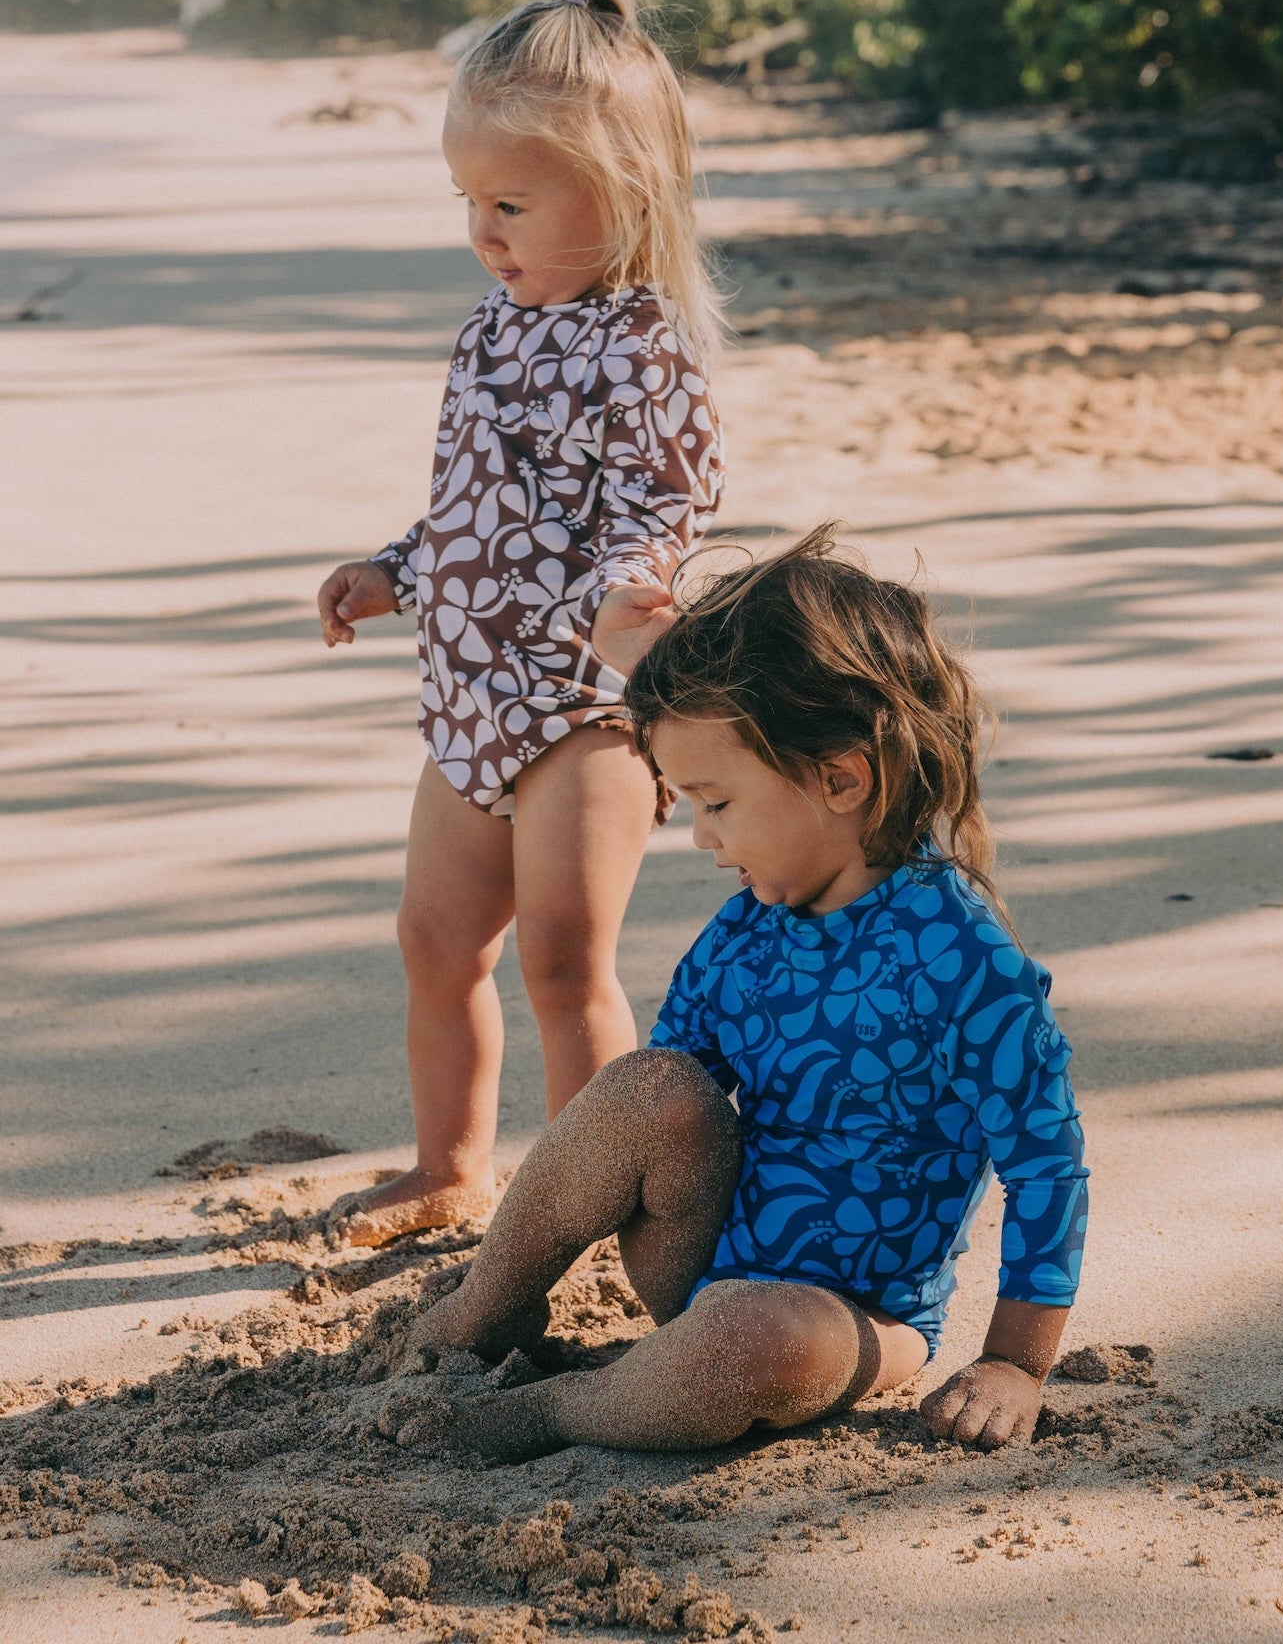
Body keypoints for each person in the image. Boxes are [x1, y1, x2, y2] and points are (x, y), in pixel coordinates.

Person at [374, 525, 1088, 1460]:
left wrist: (1014, 1365)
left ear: (838, 779)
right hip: (700, 1259)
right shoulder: (745, 932)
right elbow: (666, 1114)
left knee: (754, 1340)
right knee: (649, 1084)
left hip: (848, 1321)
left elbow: (1048, 1167)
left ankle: (551, 1412)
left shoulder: (968, 963)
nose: (703, 837)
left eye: (716, 801)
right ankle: (487, 1307)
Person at [315, 0, 724, 1248]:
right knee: (437, 942)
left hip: (584, 704)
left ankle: (600, 1207)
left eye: (513, 203)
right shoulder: (491, 330)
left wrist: (628, 593)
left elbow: (668, 493)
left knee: (560, 959)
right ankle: (451, 1167)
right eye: (469, 205)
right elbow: (471, 501)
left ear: (626, 192)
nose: (486, 232)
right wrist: (398, 566)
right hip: (471, 700)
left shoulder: (639, 340)